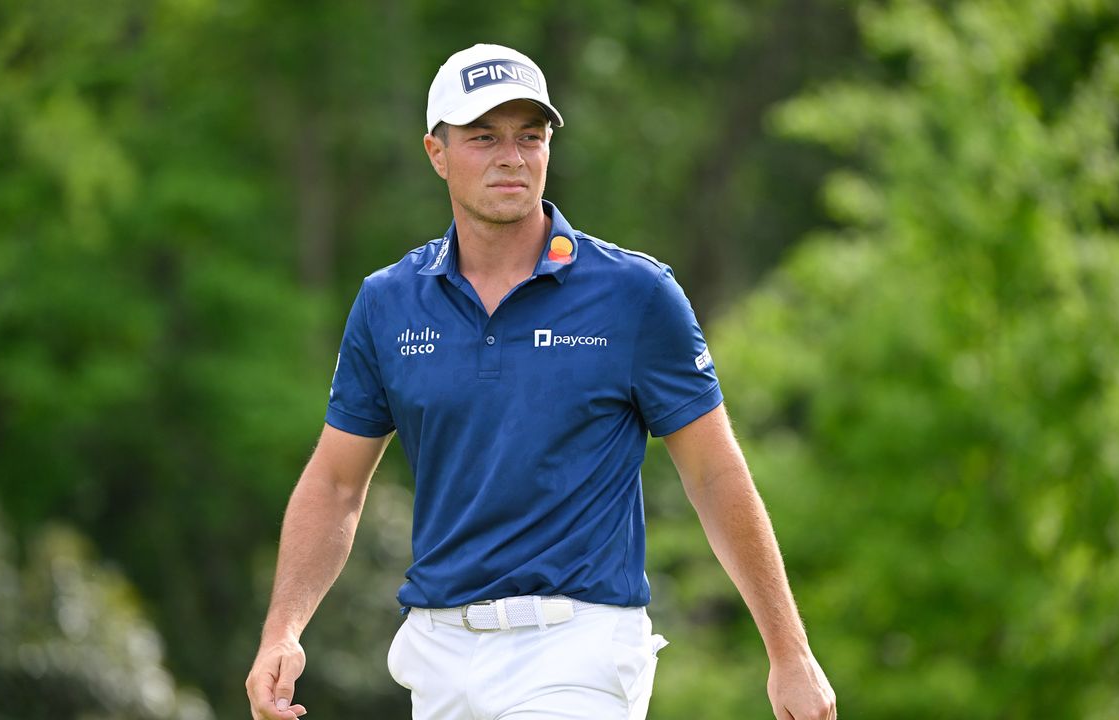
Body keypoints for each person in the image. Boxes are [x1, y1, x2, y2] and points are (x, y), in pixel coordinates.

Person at [245, 43, 836, 720]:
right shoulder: (388, 304)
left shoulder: (635, 295)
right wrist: (282, 631)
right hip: (438, 659)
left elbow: (715, 474)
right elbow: (335, 483)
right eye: (484, 138)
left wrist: (789, 652)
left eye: (531, 136)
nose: (512, 156)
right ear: (436, 153)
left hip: (579, 649)